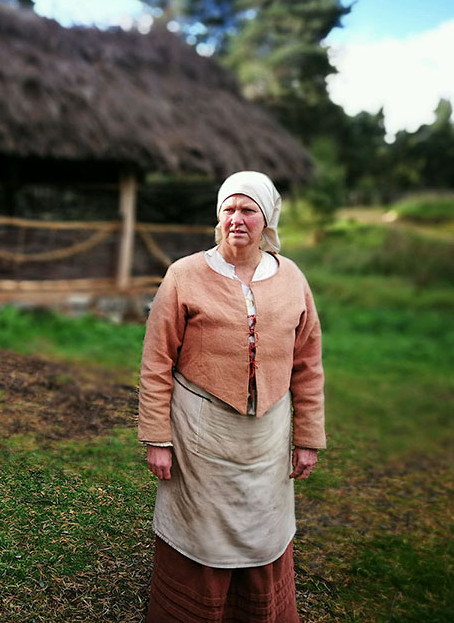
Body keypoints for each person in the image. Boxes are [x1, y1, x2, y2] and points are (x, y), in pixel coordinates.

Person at [138, 171, 325, 623]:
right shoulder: (184, 275)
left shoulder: (292, 277)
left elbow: (308, 363)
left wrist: (308, 438)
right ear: (218, 217)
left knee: (262, 531)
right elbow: (157, 361)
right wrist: (157, 438)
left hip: (268, 439)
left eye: (248, 210)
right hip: (201, 437)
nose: (236, 219)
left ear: (267, 219)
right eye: (229, 209)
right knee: (201, 532)